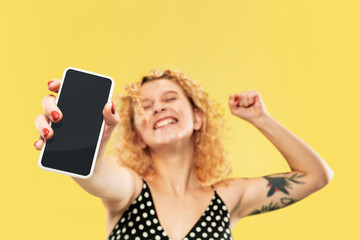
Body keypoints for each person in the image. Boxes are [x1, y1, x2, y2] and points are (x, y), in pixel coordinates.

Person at [34, 69, 334, 240]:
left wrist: (260, 118)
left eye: (169, 99)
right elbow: (95, 174)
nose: (159, 108)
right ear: (138, 135)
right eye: (146, 107)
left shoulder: (228, 198)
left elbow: (316, 176)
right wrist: (85, 148)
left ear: (198, 118)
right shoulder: (130, 190)